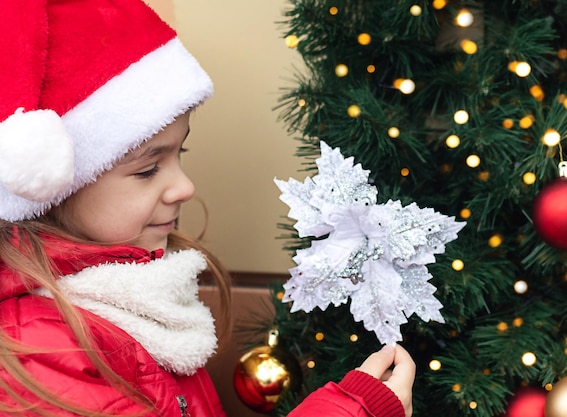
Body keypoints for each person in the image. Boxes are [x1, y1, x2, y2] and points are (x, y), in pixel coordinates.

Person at [0, 1, 416, 417]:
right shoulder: (46, 350)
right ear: (47, 191)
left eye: (180, 153)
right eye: (148, 169)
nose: (184, 186)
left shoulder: (138, 294)